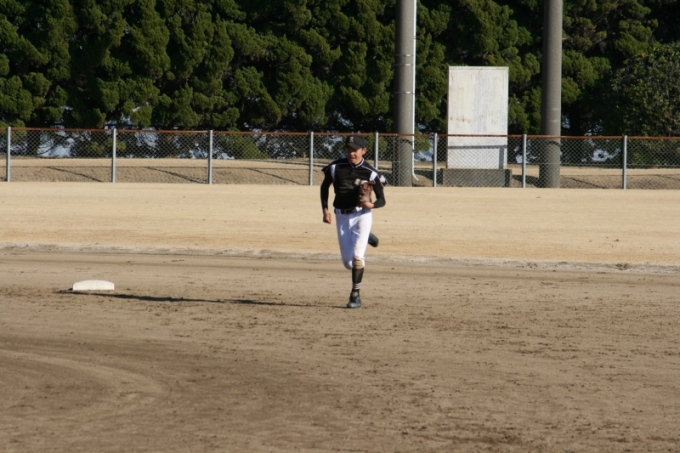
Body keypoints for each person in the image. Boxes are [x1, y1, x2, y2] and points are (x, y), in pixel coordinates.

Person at [320, 135, 386, 309]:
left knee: (358, 258)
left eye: (355, 150)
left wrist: (372, 205)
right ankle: (366, 236)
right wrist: (325, 210)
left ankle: (355, 295)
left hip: (362, 215)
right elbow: (324, 187)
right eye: (349, 149)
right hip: (341, 215)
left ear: (363, 151)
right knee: (348, 263)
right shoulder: (335, 167)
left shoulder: (370, 172)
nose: (352, 153)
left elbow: (382, 199)